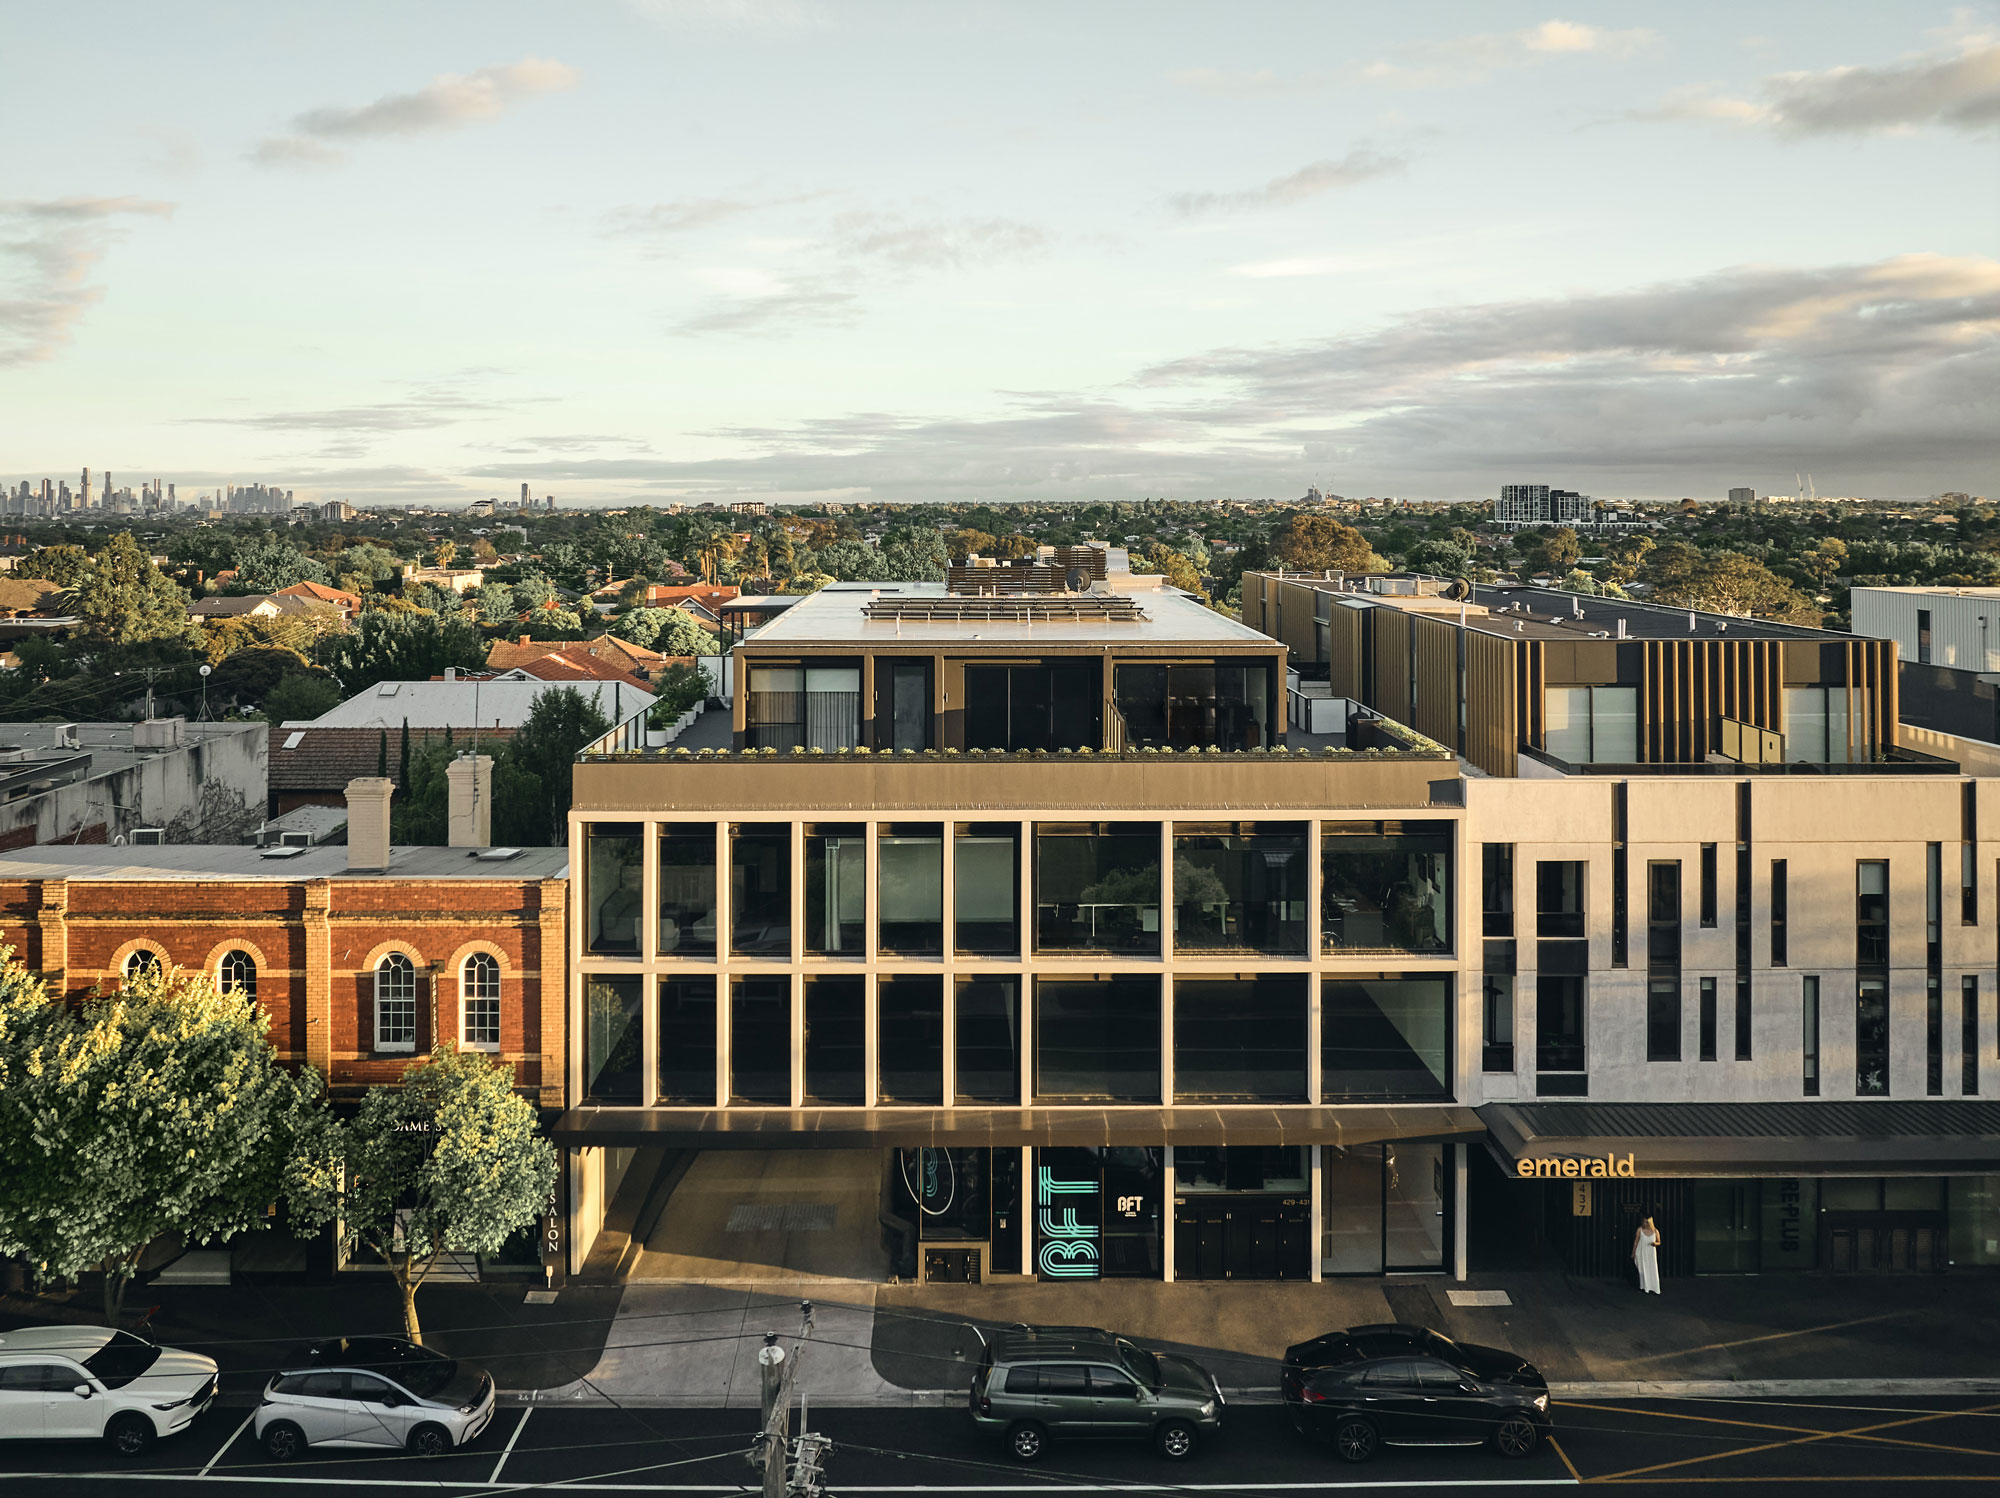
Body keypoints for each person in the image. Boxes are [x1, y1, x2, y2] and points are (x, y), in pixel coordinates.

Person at [1632, 1214, 1662, 1295]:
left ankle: (1653, 1287)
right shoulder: (1640, 1230)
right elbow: (1636, 1241)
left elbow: (1659, 1242)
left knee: (1652, 1269)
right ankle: (1643, 1287)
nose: (1645, 1224)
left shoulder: (1655, 1231)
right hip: (1641, 1251)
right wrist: (1633, 1252)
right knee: (1642, 1270)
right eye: (1644, 1222)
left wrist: (1655, 1243)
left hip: (1650, 1253)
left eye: (1647, 1222)